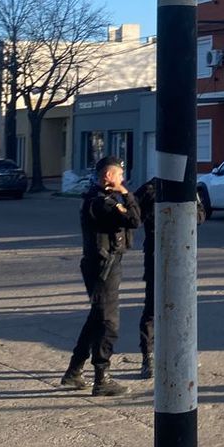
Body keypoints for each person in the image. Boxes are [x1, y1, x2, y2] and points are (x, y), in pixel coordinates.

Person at [61, 155, 140, 396]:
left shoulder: (101, 199)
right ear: (108, 176)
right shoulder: (102, 202)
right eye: (119, 175)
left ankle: (74, 371)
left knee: (96, 318)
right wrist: (125, 193)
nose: (122, 179)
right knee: (108, 323)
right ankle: (102, 378)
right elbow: (134, 219)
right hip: (103, 267)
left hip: (104, 264)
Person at [134, 176, 157, 380]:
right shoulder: (149, 189)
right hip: (155, 255)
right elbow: (134, 218)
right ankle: (147, 358)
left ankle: (180, 352)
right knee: (152, 308)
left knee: (182, 309)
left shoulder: (185, 187)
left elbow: (200, 216)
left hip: (182, 257)